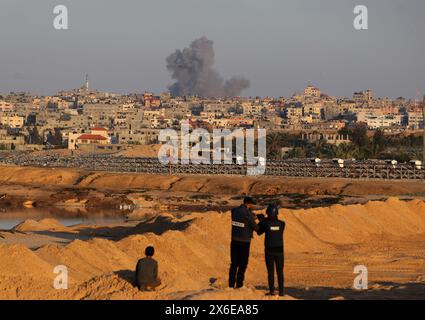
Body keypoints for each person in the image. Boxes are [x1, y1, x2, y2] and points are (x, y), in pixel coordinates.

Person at [229, 196, 259, 289]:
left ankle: (230, 284)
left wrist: (251, 215)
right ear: (248, 204)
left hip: (234, 240)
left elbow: (241, 218)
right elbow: (256, 228)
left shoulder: (234, 211)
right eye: (251, 204)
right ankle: (239, 284)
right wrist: (256, 219)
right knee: (243, 264)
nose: (251, 206)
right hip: (244, 242)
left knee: (234, 263)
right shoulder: (247, 214)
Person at [257, 204, 285, 296]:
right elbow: (273, 224)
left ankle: (272, 291)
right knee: (280, 272)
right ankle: (281, 292)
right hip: (280, 251)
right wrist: (264, 220)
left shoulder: (265, 224)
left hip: (269, 251)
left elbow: (259, 232)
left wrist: (261, 221)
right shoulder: (282, 224)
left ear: (268, 213)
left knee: (271, 272)